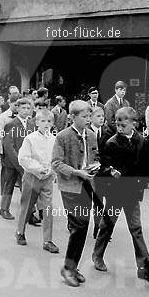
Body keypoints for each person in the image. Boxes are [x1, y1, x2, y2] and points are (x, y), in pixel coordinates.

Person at [92, 107, 149, 282]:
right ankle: (97, 255)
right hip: (115, 193)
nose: (119, 127)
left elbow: (146, 166)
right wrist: (110, 172)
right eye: (117, 124)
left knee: (136, 229)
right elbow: (101, 167)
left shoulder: (142, 141)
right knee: (107, 226)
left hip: (133, 193)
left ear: (134, 124)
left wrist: (143, 182)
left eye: (123, 124)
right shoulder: (111, 143)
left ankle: (144, 266)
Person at [52, 100, 99, 287]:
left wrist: (97, 167)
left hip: (88, 184)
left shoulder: (92, 135)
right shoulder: (63, 136)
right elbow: (56, 163)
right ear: (72, 117)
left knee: (82, 228)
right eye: (84, 116)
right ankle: (68, 268)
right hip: (71, 186)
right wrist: (77, 172)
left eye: (90, 116)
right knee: (79, 226)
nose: (88, 120)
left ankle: (73, 266)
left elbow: (95, 157)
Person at [16, 109, 58, 254]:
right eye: (43, 121)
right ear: (36, 122)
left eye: (49, 121)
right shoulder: (30, 138)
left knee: (48, 209)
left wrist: (52, 170)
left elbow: (56, 158)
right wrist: (38, 168)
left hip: (47, 178)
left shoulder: (54, 139)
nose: (46, 124)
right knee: (27, 206)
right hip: (32, 177)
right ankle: (20, 231)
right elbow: (23, 158)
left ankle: (48, 240)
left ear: (52, 123)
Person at [0, 98, 35, 221]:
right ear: (18, 108)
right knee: (9, 185)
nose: (26, 111)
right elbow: (8, 146)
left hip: (26, 161)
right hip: (12, 162)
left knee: (27, 187)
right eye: (23, 108)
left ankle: (29, 213)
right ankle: (4, 209)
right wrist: (18, 161)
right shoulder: (11, 124)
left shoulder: (31, 124)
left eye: (28, 108)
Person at [89, 106, 113, 238]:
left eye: (103, 116)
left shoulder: (107, 134)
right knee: (90, 201)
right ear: (91, 117)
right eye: (98, 116)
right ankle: (74, 223)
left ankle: (99, 228)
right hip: (89, 172)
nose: (102, 118)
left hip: (103, 173)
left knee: (100, 201)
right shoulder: (86, 132)